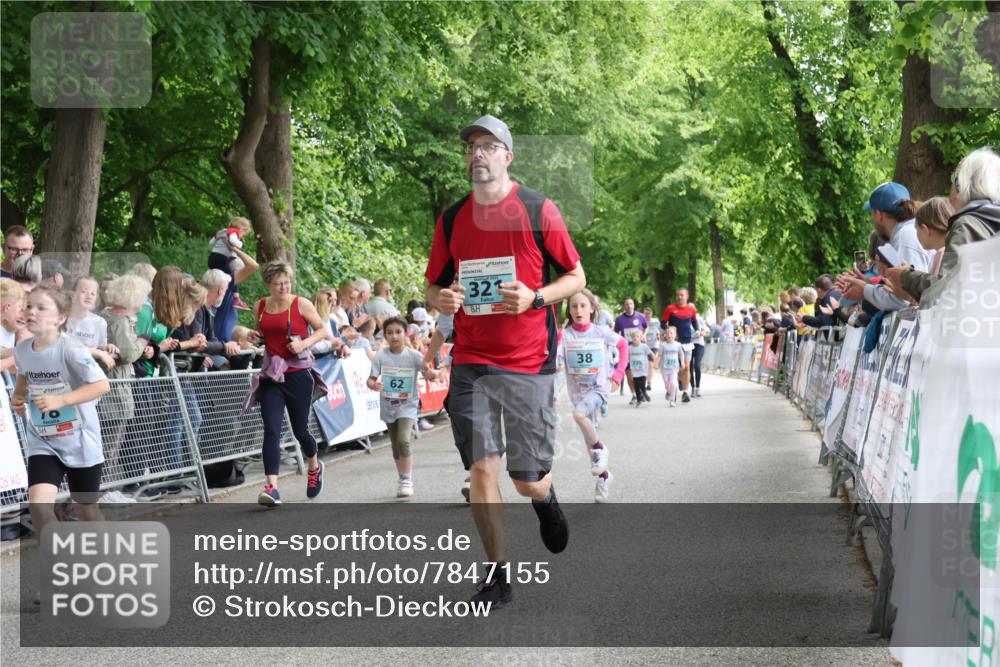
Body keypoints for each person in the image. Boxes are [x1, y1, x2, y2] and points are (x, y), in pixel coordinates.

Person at [424, 114, 585, 605]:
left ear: (507, 156)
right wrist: (441, 301)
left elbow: (575, 277)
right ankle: (496, 572)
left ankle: (545, 495)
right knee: (482, 469)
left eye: (489, 146)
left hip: (527, 358)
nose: (478, 153)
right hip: (471, 358)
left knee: (524, 480)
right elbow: (431, 286)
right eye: (472, 145)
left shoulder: (538, 209)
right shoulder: (453, 219)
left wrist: (537, 297)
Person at [11, 286, 111, 542]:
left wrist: (61, 400)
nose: (31, 312)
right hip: (43, 439)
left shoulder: (71, 349)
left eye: (41, 308)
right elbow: (25, 374)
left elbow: (102, 385)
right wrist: (19, 396)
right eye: (29, 306)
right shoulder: (22, 350)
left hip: (80, 441)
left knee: (86, 512)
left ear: (61, 317)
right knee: (39, 505)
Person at [246, 261, 336, 507]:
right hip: (272, 376)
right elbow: (263, 333)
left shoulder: (301, 304)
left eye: (286, 282)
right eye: (278, 284)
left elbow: (322, 331)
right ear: (268, 284)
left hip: (298, 374)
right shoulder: (261, 306)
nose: (283, 287)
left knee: (300, 431)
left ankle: (314, 466)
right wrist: (255, 336)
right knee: (272, 430)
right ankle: (272, 487)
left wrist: (303, 344)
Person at [887, 148, 1000, 302]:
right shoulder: (991, 223)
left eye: (953, 179)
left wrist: (905, 276)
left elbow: (946, 291)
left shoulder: (967, 225)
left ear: (962, 185)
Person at [560, 289, 626, 502]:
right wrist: (559, 336)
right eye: (573, 306)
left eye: (582, 305)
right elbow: (555, 360)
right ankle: (604, 477)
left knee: (579, 416)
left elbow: (623, 345)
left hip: (599, 388)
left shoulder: (600, 332)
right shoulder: (567, 335)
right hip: (577, 392)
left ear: (592, 308)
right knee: (588, 437)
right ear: (569, 311)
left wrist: (617, 374)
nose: (578, 310)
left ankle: (601, 448)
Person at [368, 316, 437, 498]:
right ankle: (402, 478)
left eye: (398, 332)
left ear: (405, 334)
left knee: (403, 439)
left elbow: (427, 371)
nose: (394, 336)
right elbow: (371, 379)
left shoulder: (413, 355)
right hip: (389, 405)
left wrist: (432, 373)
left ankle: (407, 479)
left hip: (408, 405)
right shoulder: (381, 356)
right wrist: (373, 385)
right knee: (395, 444)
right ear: (385, 336)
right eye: (389, 333)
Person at [836, 182, 930, 312]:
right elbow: (901, 292)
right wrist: (867, 284)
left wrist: (865, 290)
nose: (872, 219)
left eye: (872, 214)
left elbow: (906, 299)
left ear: (879, 215)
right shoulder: (906, 232)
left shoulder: (905, 236)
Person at [99, 274, 149, 477]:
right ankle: (99, 494)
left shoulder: (106, 316)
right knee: (110, 448)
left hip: (107, 389)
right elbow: (128, 353)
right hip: (115, 392)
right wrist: (143, 341)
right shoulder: (119, 322)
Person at [63, 276, 115, 370]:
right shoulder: (61, 319)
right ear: (73, 295)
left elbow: (101, 349)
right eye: (84, 291)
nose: (89, 296)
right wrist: (96, 352)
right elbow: (62, 350)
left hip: (87, 374)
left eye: (93, 293)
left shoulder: (100, 322)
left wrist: (108, 348)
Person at [661, 288, 698, 402]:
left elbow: (694, 322)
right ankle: (672, 387)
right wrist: (669, 332)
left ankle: (685, 392)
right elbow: (663, 323)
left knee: (686, 367)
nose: (679, 297)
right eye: (677, 295)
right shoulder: (670, 309)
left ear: (687, 296)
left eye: (682, 295)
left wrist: (698, 330)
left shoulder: (691, 309)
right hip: (673, 343)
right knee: (674, 368)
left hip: (687, 342)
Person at [208, 216, 252, 311]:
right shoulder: (233, 231)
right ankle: (236, 298)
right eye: (244, 234)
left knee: (217, 278)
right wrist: (240, 245)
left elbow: (211, 242)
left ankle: (212, 294)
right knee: (232, 278)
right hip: (221, 258)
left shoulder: (222, 231)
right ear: (241, 229)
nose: (242, 236)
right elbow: (233, 240)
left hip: (212, 257)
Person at [613, 297, 648, 405]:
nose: (629, 306)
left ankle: (640, 391)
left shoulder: (640, 316)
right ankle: (634, 394)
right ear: (624, 306)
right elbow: (615, 334)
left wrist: (643, 336)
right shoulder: (619, 319)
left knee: (640, 373)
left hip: (639, 349)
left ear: (634, 305)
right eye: (627, 304)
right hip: (627, 350)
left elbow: (646, 327)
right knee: (629, 374)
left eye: (631, 304)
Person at [656, 326, 685, 407]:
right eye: (667, 333)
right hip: (664, 368)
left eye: (671, 333)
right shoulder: (663, 345)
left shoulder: (678, 345)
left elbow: (681, 353)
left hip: (674, 367)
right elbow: (659, 355)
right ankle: (669, 392)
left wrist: (682, 362)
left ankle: (672, 400)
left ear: (675, 335)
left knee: (673, 383)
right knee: (667, 384)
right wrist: (656, 363)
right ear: (665, 335)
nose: (669, 335)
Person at [690, 313, 709, 397]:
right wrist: (693, 336)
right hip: (689, 345)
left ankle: (698, 387)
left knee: (697, 365)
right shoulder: (685, 319)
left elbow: (706, 331)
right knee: (689, 367)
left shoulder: (699, 318)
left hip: (699, 345)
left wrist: (702, 333)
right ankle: (693, 388)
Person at [642, 307, 660, 392]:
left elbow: (661, 329)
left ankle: (649, 383)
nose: (647, 315)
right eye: (645, 314)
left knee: (650, 364)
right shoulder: (641, 321)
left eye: (648, 314)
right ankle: (644, 380)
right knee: (645, 364)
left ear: (651, 314)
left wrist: (659, 335)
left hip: (654, 345)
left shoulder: (656, 321)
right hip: (644, 345)